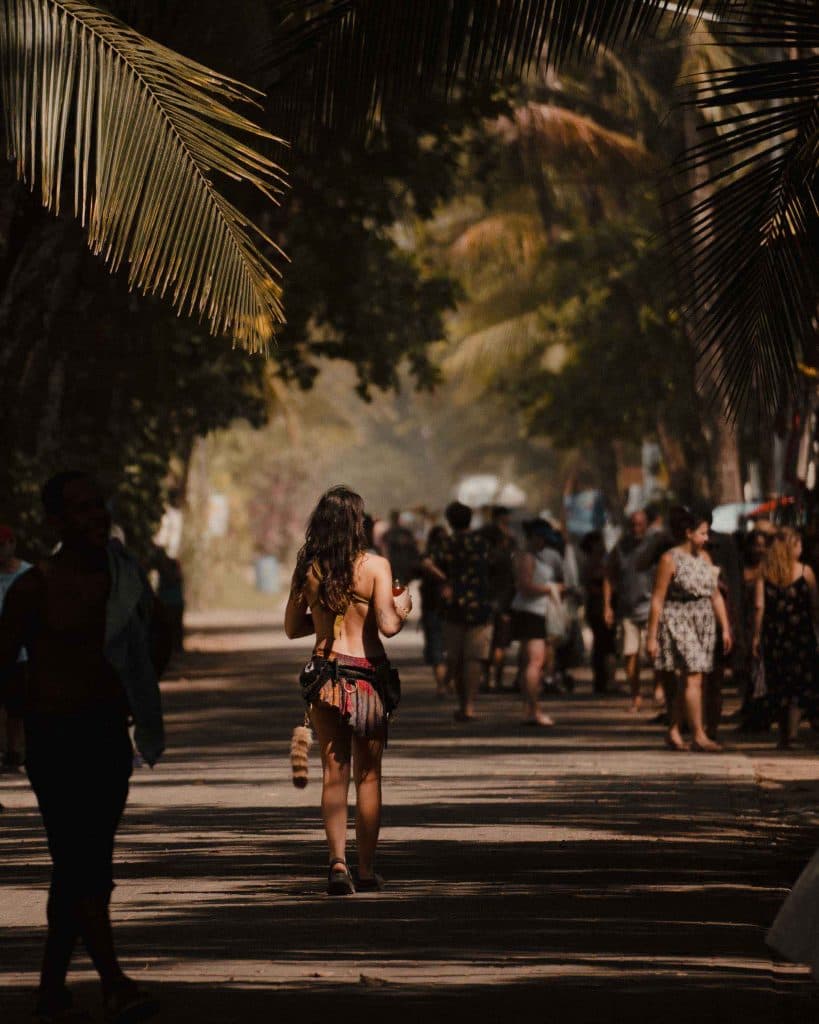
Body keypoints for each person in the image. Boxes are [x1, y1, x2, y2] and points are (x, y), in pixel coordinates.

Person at [0, 471, 168, 1024]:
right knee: (80, 861)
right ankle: (114, 982)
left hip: (106, 738)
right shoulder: (34, 587)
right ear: (55, 522)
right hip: (54, 742)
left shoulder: (125, 579)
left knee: (81, 863)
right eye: (79, 509)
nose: (94, 517)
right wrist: (25, 716)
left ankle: (51, 986)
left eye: (98, 506)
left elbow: (154, 647)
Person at [284, 486, 411, 895]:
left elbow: (291, 627)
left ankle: (337, 862)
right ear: (358, 523)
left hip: (324, 676)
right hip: (367, 678)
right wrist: (403, 606)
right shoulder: (376, 566)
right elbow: (388, 627)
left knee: (333, 774)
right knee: (368, 777)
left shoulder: (309, 567)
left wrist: (322, 621)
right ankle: (368, 869)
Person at [646, 505, 733, 752]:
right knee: (694, 675)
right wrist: (652, 636)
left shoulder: (705, 559)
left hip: (702, 620)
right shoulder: (669, 559)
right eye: (702, 533)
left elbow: (714, 594)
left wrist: (725, 627)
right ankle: (698, 733)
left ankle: (674, 729)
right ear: (688, 533)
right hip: (678, 620)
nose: (706, 538)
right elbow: (657, 599)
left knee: (689, 679)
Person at [752, 527, 819, 749]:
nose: (802, 549)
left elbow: (759, 606)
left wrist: (756, 636)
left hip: (774, 636)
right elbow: (814, 606)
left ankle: (783, 734)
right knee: (799, 684)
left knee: (778, 682)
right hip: (800, 634)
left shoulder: (765, 572)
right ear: (792, 547)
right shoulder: (805, 572)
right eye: (799, 545)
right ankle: (792, 733)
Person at [429, 502, 494, 722]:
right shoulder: (482, 543)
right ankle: (469, 706)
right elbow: (497, 567)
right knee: (474, 659)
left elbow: (426, 562)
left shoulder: (446, 543)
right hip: (480, 606)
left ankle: (461, 702)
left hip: (453, 608)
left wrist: (444, 579)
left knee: (455, 658)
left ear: (449, 521)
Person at [510, 518, 564, 726]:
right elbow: (524, 586)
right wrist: (551, 589)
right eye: (540, 538)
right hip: (530, 612)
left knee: (530, 662)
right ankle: (534, 709)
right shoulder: (526, 558)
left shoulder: (535, 557)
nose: (543, 543)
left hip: (535, 612)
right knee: (535, 662)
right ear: (532, 538)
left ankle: (529, 707)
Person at [603, 509, 653, 712]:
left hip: (651, 607)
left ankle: (659, 689)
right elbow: (609, 575)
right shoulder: (619, 548)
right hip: (626, 608)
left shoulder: (654, 547)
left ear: (646, 525)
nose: (636, 529)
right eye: (632, 524)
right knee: (629, 654)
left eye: (640, 524)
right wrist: (607, 605)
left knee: (655, 653)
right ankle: (636, 696)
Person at [0, 524, 31, 770]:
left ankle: (16, 751)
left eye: (2, 545)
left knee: (18, 707)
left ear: (12, 544)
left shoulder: (29, 575)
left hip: (22, 653)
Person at [481, 506, 517, 691]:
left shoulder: (482, 553)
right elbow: (512, 579)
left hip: (487, 601)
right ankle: (496, 679)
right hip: (502, 601)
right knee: (499, 644)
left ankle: (487, 679)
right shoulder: (506, 553)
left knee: (488, 643)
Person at [580, 531, 616, 694]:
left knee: (605, 646)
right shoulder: (591, 563)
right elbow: (591, 585)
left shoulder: (602, 561)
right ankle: (602, 681)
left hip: (602, 607)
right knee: (602, 646)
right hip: (597, 608)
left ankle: (605, 680)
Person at [419, 524, 450, 698]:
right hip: (449, 607)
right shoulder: (454, 553)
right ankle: (446, 683)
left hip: (433, 606)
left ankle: (442, 685)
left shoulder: (428, 554)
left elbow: (423, 566)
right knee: (449, 646)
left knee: (437, 646)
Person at [381, 509, 421, 588]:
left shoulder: (388, 534)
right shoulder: (406, 532)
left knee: (398, 586)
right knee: (406, 586)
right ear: (399, 519)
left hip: (395, 563)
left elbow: (385, 551)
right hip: (406, 563)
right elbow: (414, 548)